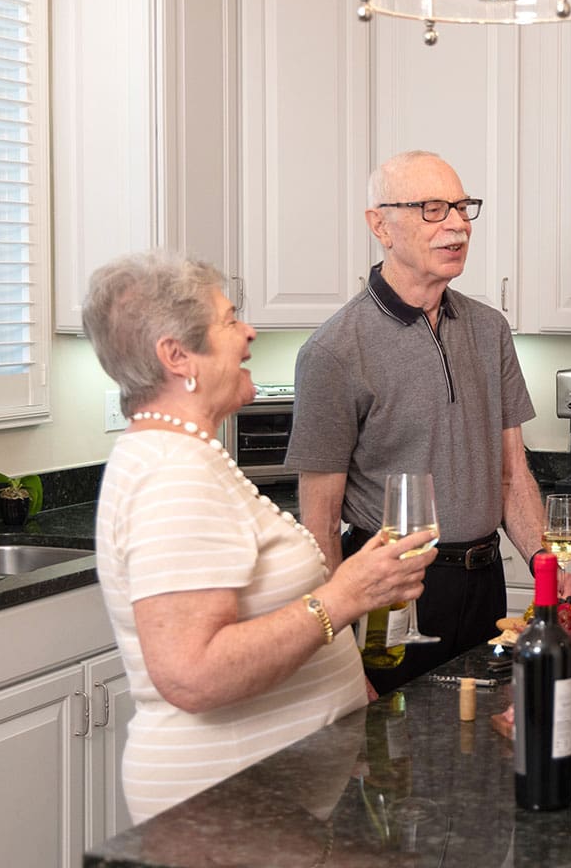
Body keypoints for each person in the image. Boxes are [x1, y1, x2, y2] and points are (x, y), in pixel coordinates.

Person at [82, 251, 435, 824]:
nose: (249, 331)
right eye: (229, 321)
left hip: (273, 791)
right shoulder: (173, 474)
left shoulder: (188, 456)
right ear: (176, 355)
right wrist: (345, 595)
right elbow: (191, 673)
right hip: (222, 803)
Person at [286, 149, 571, 693]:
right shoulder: (334, 350)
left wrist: (543, 564)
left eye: (463, 208)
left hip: (487, 583)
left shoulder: (490, 330)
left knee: (486, 749)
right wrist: (343, 658)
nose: (458, 225)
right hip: (389, 590)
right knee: (395, 757)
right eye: (433, 209)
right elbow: (320, 523)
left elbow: (512, 476)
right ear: (380, 225)